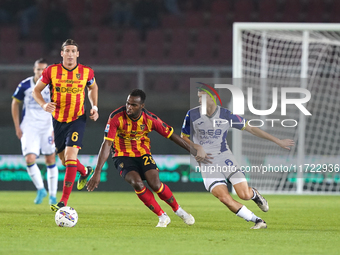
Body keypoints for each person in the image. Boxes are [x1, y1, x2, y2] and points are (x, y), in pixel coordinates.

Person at [87, 89, 208, 227]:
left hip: (143, 153)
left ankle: (179, 211)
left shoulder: (150, 119)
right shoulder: (116, 117)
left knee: (155, 184)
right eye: (127, 103)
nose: (129, 107)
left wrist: (193, 151)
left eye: (133, 105)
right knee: (137, 183)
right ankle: (162, 216)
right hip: (122, 155)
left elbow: (172, 136)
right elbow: (107, 143)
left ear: (142, 106)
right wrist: (97, 172)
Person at [181, 87, 295, 229]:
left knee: (244, 195)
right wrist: (197, 147)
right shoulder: (192, 114)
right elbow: (183, 137)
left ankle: (254, 194)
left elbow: (251, 128)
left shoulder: (226, 115)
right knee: (224, 198)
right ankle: (258, 221)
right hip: (207, 162)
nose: (199, 100)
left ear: (213, 98)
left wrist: (277, 141)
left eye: (202, 97)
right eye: (198, 97)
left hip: (224, 157)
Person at [32, 39, 99, 212]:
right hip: (58, 120)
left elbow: (93, 88)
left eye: (73, 51)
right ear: (62, 53)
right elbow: (36, 91)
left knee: (70, 157)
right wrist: (44, 105)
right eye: (67, 51)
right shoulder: (51, 71)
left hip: (77, 118)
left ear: (78, 54)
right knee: (64, 161)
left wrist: (94, 107)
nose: (70, 54)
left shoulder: (86, 72)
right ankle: (84, 171)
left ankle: (63, 202)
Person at [11, 58, 58, 205]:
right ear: (34, 70)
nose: (40, 72)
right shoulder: (25, 85)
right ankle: (40, 189)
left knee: (50, 159)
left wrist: (57, 128)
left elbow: (60, 107)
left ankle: (52, 196)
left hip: (48, 127)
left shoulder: (53, 86)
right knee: (29, 159)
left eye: (43, 69)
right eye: (38, 69)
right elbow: (15, 103)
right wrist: (17, 126)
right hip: (29, 127)